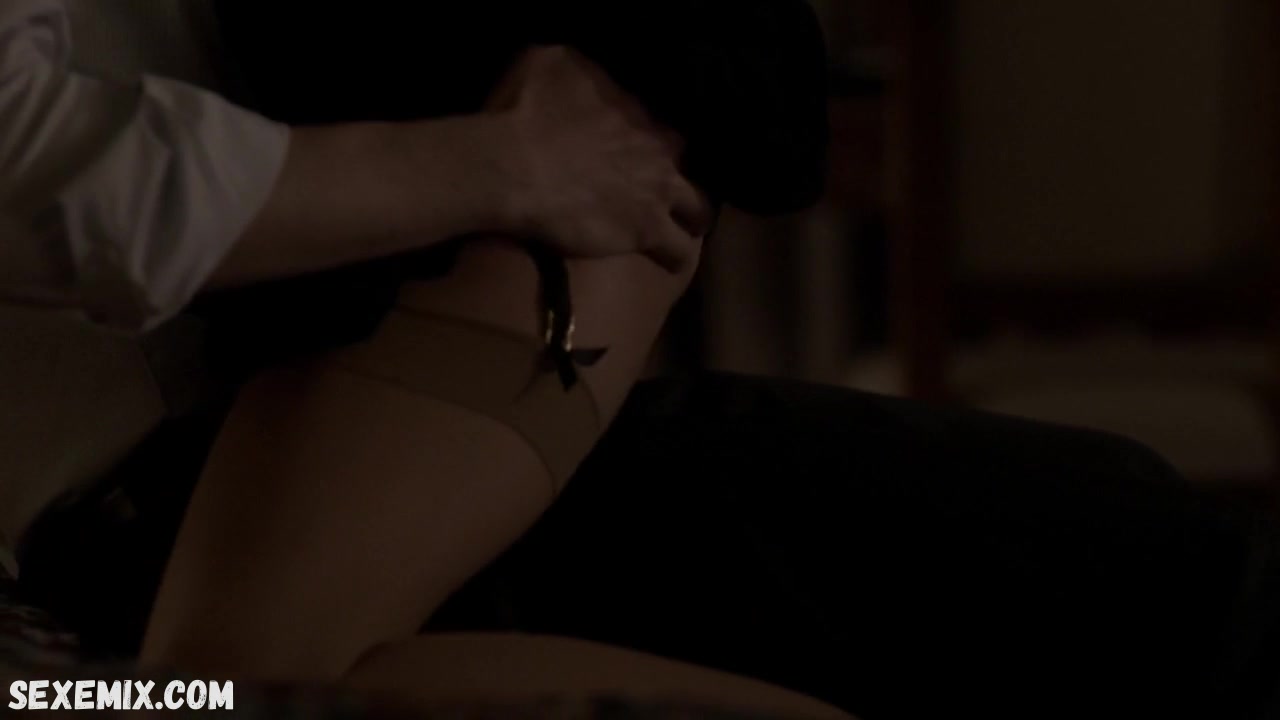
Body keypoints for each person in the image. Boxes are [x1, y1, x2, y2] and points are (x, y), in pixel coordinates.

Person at [3, 2, 1279, 720]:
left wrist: (505, 162)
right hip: (356, 297)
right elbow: (52, 177)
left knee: (1127, 567)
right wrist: (495, 163)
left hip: (521, 179)